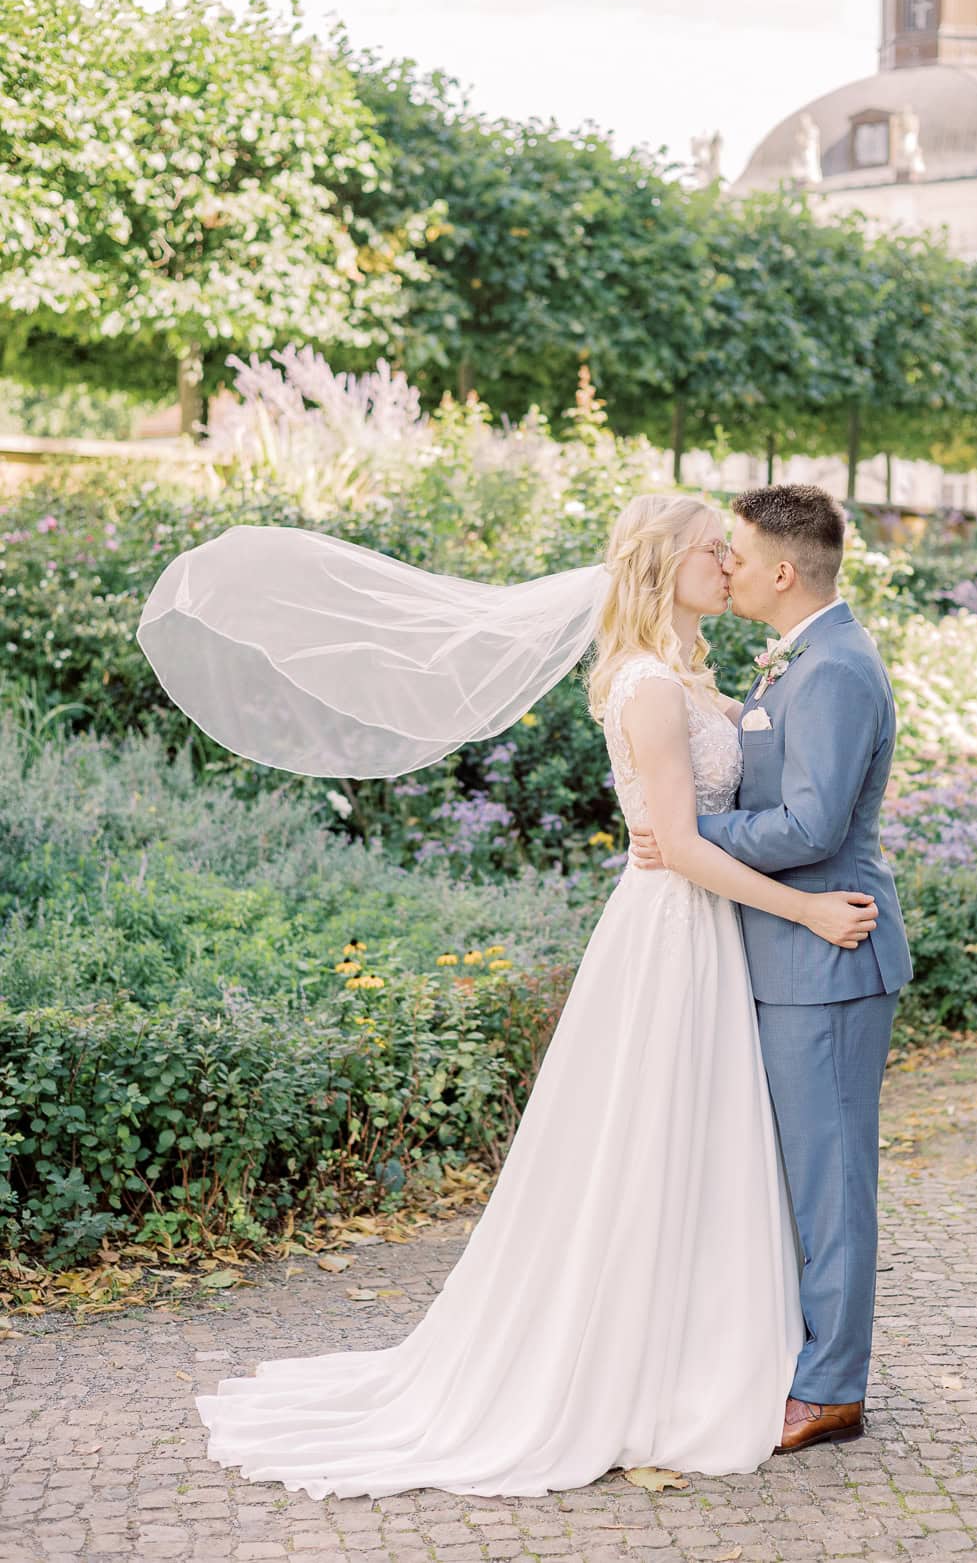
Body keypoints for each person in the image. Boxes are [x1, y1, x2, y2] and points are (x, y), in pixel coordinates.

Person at [180, 492, 881, 1499]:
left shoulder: (695, 672)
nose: (729, 563)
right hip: (675, 934)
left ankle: (709, 1350)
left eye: (732, 552)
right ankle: (637, 1369)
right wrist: (809, 914)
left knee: (700, 1143)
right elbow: (678, 844)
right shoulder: (645, 684)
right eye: (711, 551)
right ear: (664, 565)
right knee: (649, 1144)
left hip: (710, 934)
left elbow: (720, 811)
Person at [630, 485, 913, 1453]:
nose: (729, 566)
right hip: (776, 952)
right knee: (788, 1178)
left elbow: (811, 827)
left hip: (826, 955)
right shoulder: (800, 659)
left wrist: (689, 834)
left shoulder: (832, 667)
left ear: (784, 572)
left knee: (828, 1184)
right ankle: (787, 1354)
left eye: (739, 555)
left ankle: (832, 1387)